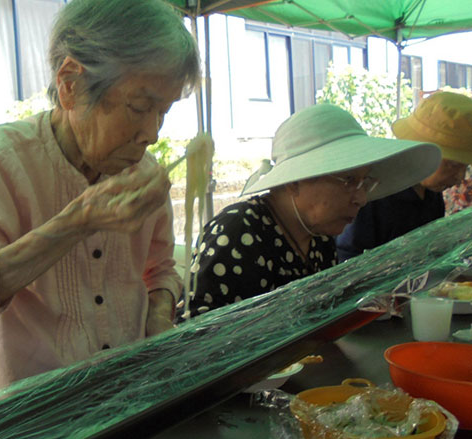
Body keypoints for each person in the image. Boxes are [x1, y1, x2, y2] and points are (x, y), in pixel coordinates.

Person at [0, 0, 201, 397]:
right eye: (140, 107)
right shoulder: (0, 159)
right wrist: (76, 221)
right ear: (70, 84)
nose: (152, 133)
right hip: (7, 421)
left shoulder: (141, 174)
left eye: (163, 111)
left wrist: (159, 314)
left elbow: (158, 269)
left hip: (113, 404)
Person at [187, 103, 441, 316]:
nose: (362, 199)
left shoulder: (318, 236)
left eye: (365, 182)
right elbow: (196, 335)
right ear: (295, 182)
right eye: (349, 180)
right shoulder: (238, 233)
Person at [337, 90, 472, 261]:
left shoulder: (432, 196)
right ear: (420, 150)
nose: (460, 177)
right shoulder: (373, 193)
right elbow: (347, 260)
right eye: (453, 165)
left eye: (465, 167)